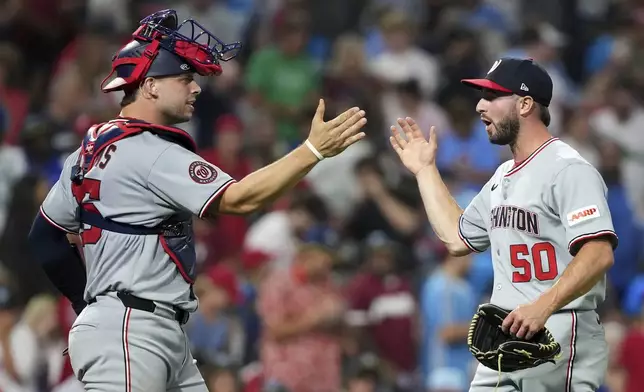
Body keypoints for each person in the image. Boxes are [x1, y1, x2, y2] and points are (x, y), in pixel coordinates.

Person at [27, 9, 367, 392]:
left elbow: (45, 237)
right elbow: (240, 199)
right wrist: (312, 151)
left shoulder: (90, 150)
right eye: (185, 78)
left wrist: (86, 303)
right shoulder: (150, 150)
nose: (196, 88)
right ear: (151, 85)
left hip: (147, 328)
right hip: (131, 329)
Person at [389, 57, 618, 391]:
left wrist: (543, 306)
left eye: (493, 96)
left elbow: (598, 254)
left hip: (559, 332)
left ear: (525, 104)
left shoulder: (567, 168)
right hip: (505, 340)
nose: (481, 105)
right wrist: (426, 171)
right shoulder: (501, 177)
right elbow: (456, 238)